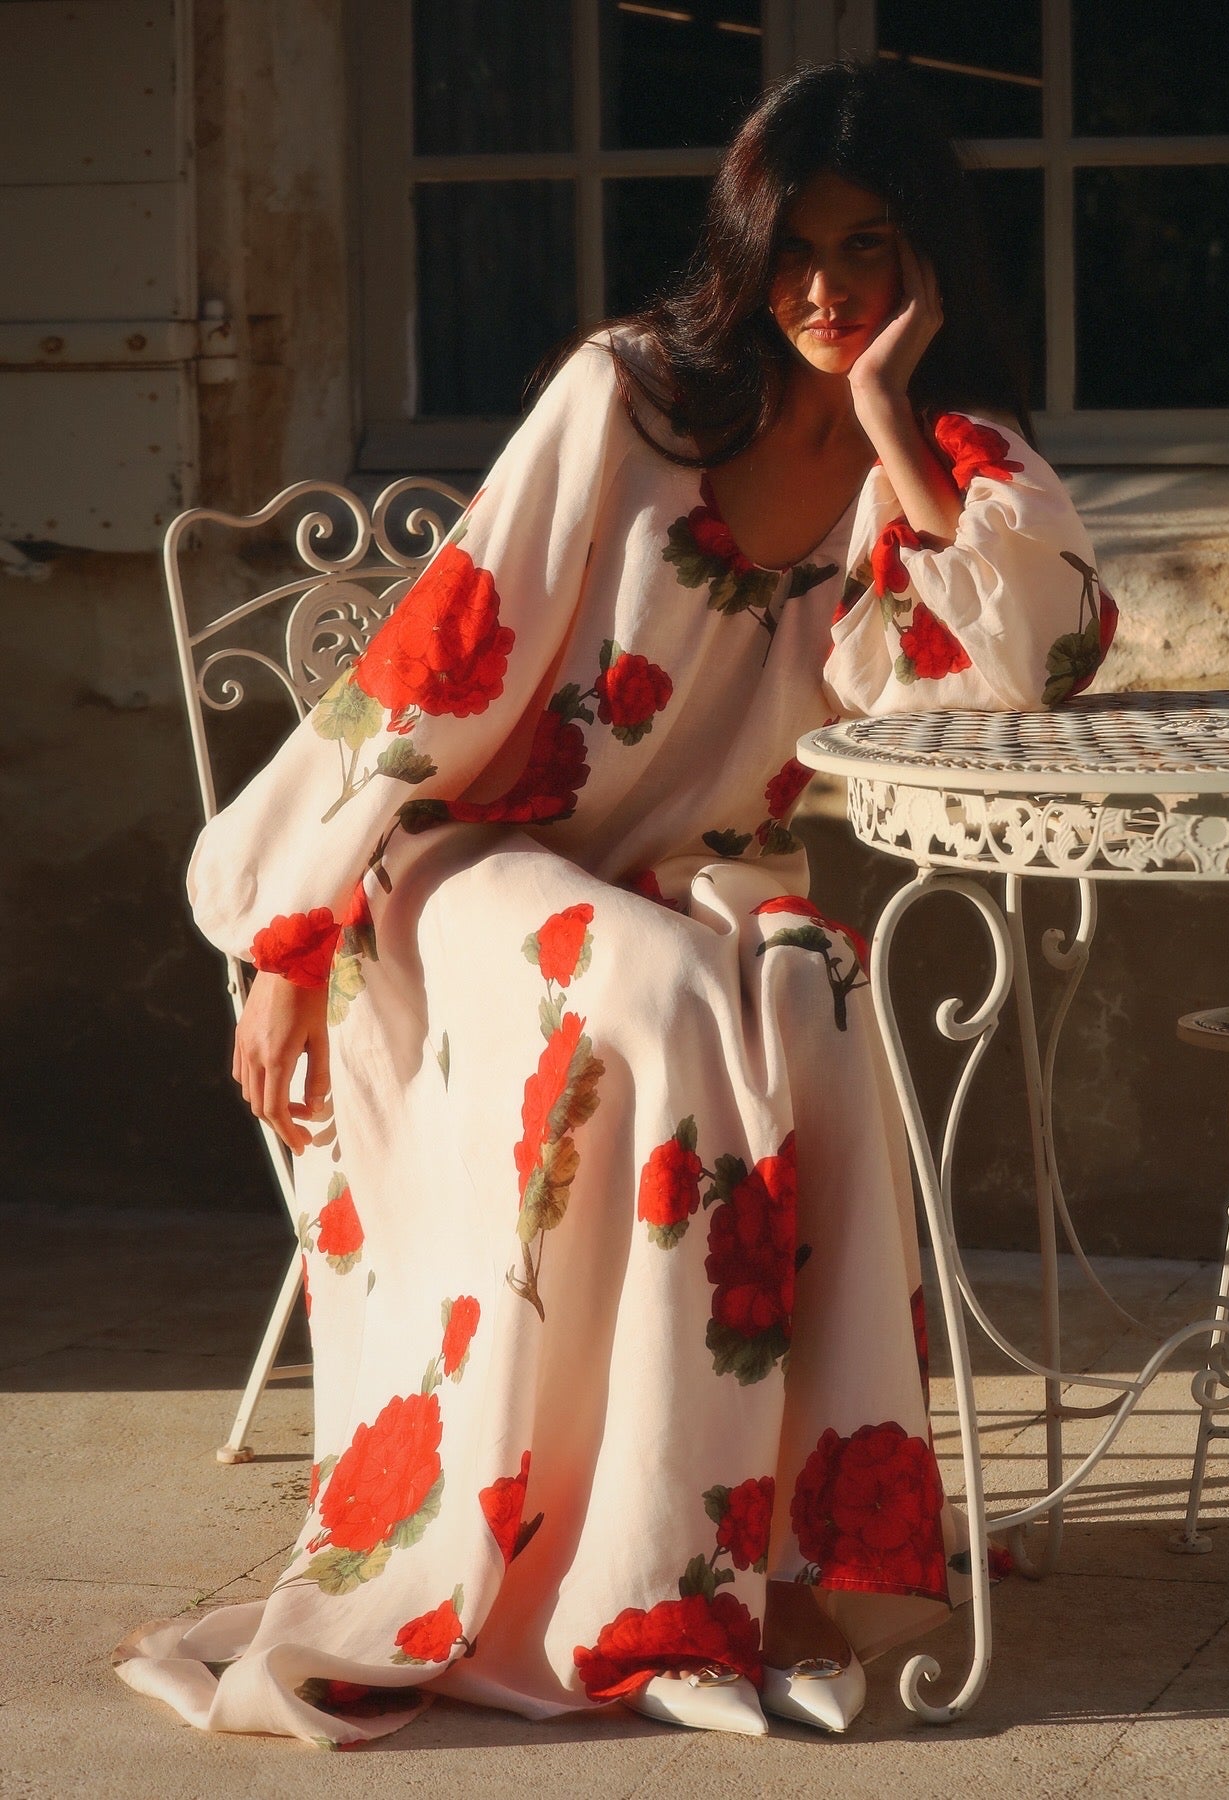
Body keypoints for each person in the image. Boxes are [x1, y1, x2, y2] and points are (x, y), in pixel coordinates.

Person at [115, 58, 1116, 1747]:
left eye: (867, 249)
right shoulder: (628, 400)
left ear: (926, 261)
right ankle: (634, 1596)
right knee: (662, 992)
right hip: (462, 870)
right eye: (793, 252)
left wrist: (888, 417)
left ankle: (775, 1566)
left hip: (690, 881)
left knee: (812, 984)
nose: (824, 291)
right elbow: (439, 649)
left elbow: (1041, 662)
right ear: (744, 248)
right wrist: (293, 933)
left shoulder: (939, 462)